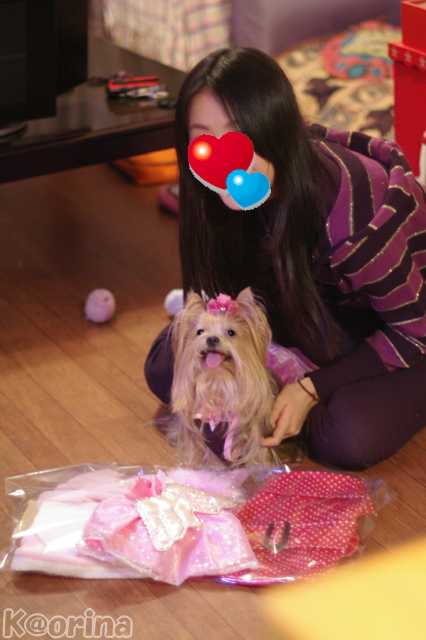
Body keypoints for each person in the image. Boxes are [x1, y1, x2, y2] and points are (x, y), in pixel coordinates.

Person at [145, 47, 426, 471]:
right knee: (165, 366)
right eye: (203, 139)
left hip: (400, 326)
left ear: (272, 128)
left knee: (344, 436)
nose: (221, 157)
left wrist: (311, 389)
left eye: (236, 135)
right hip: (309, 304)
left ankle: (305, 394)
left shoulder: (358, 216)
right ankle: (285, 392)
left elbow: (413, 330)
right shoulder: (218, 193)